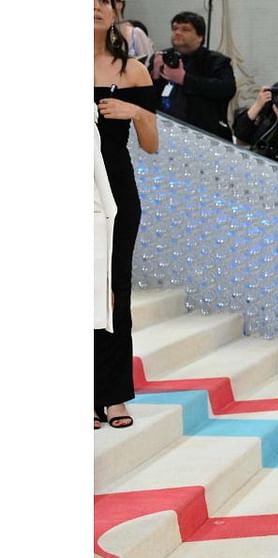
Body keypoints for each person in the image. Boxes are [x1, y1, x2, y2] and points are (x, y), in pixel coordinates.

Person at [94, 0, 159, 429]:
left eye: (105, 0)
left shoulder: (132, 71)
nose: (95, 7)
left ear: (118, 10)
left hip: (116, 190)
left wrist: (134, 110)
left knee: (116, 288)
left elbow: (151, 143)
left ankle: (114, 395)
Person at [150, 11, 235, 140]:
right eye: (175, 28)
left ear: (200, 36)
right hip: (163, 132)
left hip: (203, 134)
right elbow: (143, 97)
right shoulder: (162, 57)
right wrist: (155, 74)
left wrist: (184, 79)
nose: (177, 32)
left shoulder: (215, 61)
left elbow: (227, 89)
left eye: (185, 29)